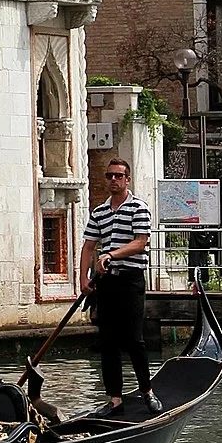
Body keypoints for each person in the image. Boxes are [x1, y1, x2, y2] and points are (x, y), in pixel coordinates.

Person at [79, 156, 161, 415]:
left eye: (118, 175)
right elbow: (88, 246)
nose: (113, 179)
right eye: (110, 176)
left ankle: (147, 391)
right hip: (106, 284)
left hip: (130, 280)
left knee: (134, 339)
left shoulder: (139, 208)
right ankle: (115, 399)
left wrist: (111, 255)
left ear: (127, 179)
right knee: (108, 342)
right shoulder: (99, 212)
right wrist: (83, 279)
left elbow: (140, 242)